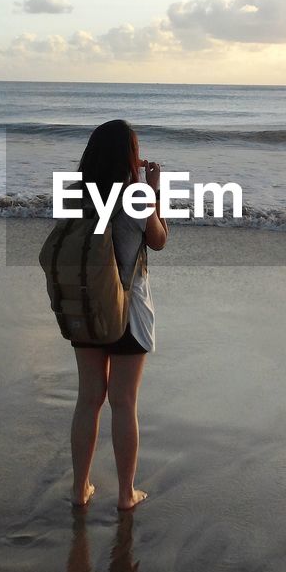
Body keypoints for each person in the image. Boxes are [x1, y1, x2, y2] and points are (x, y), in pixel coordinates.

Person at [68, 119, 168, 511]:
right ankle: (126, 495)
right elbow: (158, 241)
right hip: (127, 309)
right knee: (123, 401)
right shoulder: (136, 194)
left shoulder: (77, 194)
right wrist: (154, 191)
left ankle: (80, 489)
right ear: (130, 156)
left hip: (85, 305)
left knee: (88, 398)